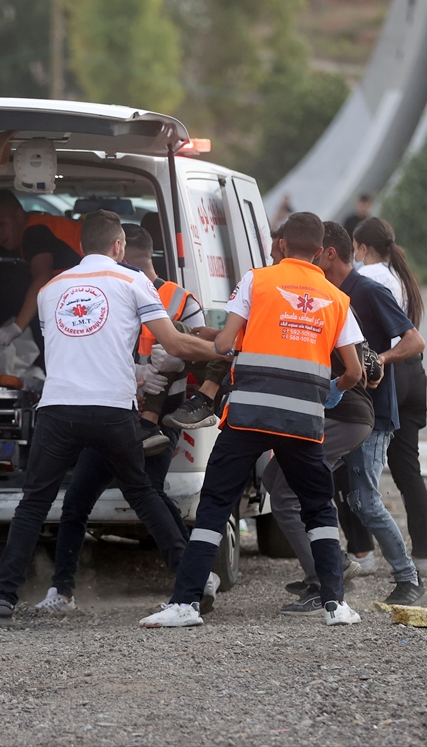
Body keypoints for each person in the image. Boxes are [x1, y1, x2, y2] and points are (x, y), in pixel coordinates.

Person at [0, 210, 219, 627]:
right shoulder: (133, 281)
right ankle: (191, 583)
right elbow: (175, 343)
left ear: (80, 245)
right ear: (119, 246)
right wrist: (226, 355)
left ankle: (2, 601)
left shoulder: (52, 287)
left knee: (33, 504)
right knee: (142, 493)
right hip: (111, 408)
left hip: (58, 409)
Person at [139, 212, 367, 628]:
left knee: (214, 506)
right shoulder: (337, 298)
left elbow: (225, 343)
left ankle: (186, 604)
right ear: (319, 251)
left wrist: (229, 341)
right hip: (303, 422)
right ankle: (336, 604)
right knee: (318, 508)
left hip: (248, 416)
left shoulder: (257, 280)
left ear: (281, 245)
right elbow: (354, 372)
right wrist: (331, 390)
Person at [259, 228, 374, 617]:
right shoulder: (317, 295)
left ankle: (326, 579)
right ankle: (328, 565)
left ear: (284, 249)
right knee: (273, 482)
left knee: (289, 495)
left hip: (342, 415)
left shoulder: (318, 297)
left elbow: (357, 369)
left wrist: (332, 390)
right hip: (334, 415)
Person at [316, 221, 427, 607]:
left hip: (375, 414)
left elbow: (414, 340)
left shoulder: (368, 290)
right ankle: (324, 573)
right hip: (340, 410)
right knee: (314, 486)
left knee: (365, 500)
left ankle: (408, 577)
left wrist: (380, 358)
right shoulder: (328, 293)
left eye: (315, 251)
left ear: (330, 252)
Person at [352, 217, 427, 577]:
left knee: (352, 464)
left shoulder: (368, 279)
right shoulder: (400, 277)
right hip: (413, 374)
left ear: (363, 249)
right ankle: (425, 556)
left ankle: (362, 552)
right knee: (407, 469)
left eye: (355, 248)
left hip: (385, 375)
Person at [120, 224, 230, 436]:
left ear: (122, 261)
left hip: (166, 407)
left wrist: (179, 358)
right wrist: (135, 376)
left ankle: (149, 421)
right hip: (120, 404)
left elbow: (199, 355)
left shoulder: (181, 300)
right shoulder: (110, 298)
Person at [0, 190, 85, 346]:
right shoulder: (40, 224)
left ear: (20, 215)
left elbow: (42, 277)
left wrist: (17, 327)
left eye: (1, 224)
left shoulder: (33, 233)